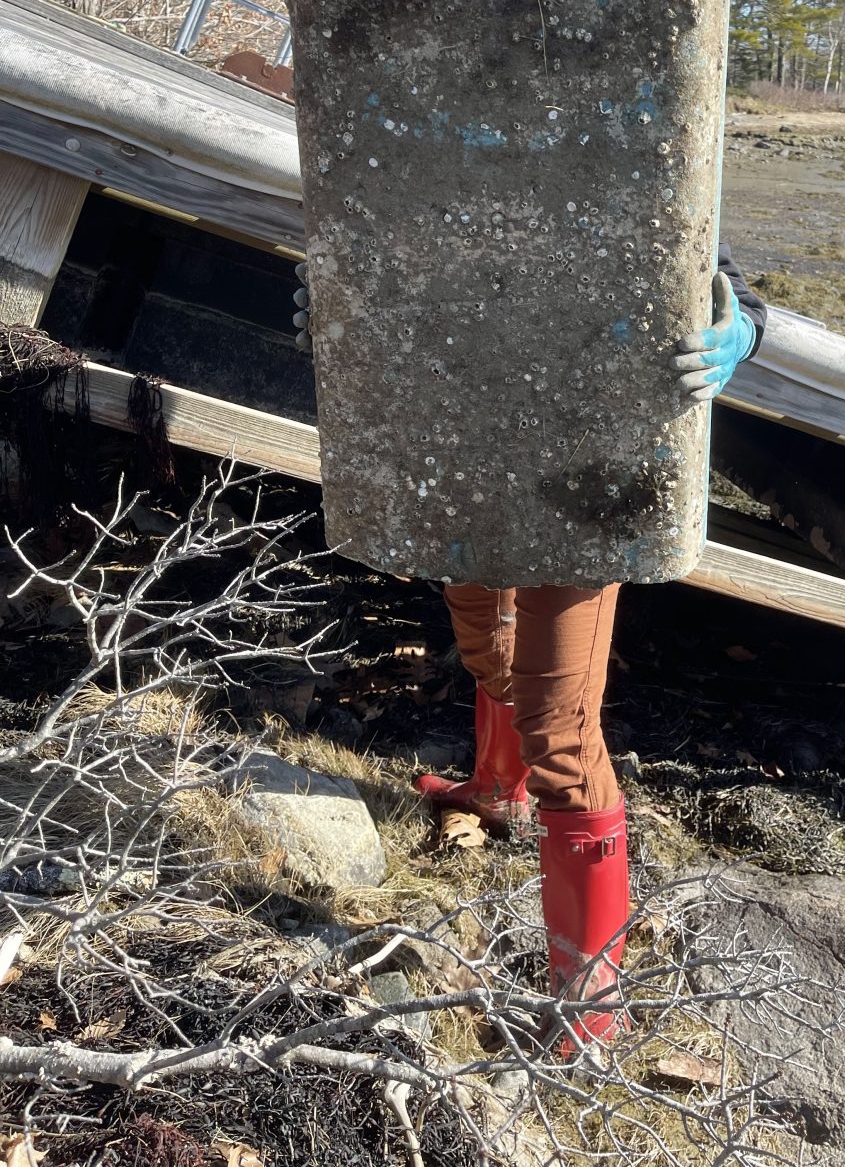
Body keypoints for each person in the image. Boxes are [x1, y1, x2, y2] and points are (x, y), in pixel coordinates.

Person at [294, 242, 767, 1049]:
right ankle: (495, 792)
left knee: (562, 734)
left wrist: (741, 333)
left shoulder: (622, 165)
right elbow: (379, 234)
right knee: (485, 645)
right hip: (466, 444)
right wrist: (340, 305)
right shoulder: (429, 165)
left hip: (592, 470)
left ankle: (590, 1014)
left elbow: (724, 272)